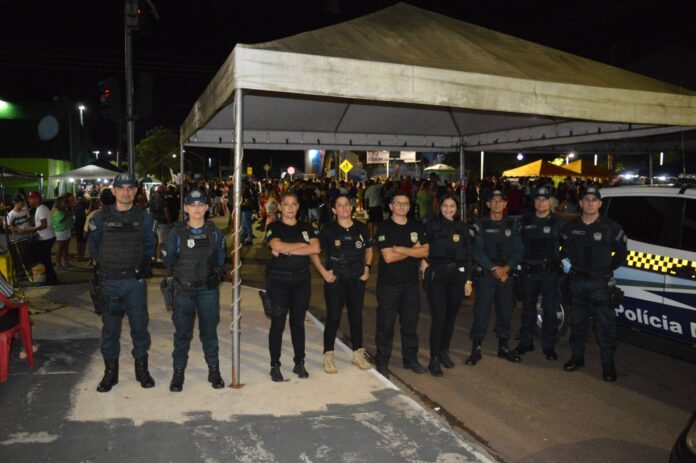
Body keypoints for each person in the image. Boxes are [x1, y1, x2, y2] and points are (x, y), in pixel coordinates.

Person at [88, 173, 156, 392]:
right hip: (110, 282)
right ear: (114, 191)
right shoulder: (100, 218)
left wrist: (141, 265)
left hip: (134, 282)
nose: (126, 192)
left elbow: (149, 244)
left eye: (130, 188)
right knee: (110, 329)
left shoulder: (144, 217)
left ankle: (142, 370)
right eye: (122, 188)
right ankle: (110, 373)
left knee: (139, 327)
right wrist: (107, 265)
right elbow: (94, 247)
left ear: (136, 191)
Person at [560, 187, 627, 382]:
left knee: (605, 325)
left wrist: (605, 270)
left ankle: (608, 364)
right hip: (578, 282)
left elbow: (622, 254)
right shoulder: (570, 228)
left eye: (594, 200)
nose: (590, 203)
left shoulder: (611, 227)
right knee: (578, 323)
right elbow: (564, 251)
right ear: (580, 203)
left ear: (600, 203)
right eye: (586, 199)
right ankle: (577, 357)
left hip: (600, 284)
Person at [163, 189, 226, 392]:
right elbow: (168, 259)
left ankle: (214, 371)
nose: (197, 209)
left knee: (209, 333)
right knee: (182, 334)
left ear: (207, 208)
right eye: (193, 205)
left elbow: (221, 258)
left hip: (208, 290)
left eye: (201, 205)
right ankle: (178, 373)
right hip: (184, 291)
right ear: (186, 208)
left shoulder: (214, 232)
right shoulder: (177, 232)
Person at [310, 194, 373, 374]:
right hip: (335, 281)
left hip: (356, 280)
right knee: (333, 318)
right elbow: (314, 251)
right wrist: (323, 272)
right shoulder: (328, 230)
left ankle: (357, 354)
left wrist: (367, 268)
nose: (344, 208)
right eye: (340, 205)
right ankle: (328, 355)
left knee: (356, 318)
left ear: (351, 207)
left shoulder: (361, 228)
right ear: (333, 210)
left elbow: (369, 249)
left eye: (347, 205)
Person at [264, 192, 320, 382]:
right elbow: (277, 246)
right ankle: (275, 365)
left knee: (298, 323)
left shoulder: (306, 227)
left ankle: (299, 362)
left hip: (301, 282)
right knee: (278, 324)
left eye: (293, 204)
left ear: (298, 207)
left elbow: (316, 248)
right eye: (286, 204)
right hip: (279, 282)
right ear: (280, 207)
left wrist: (288, 248)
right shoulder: (274, 226)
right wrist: (301, 245)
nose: (290, 207)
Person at [374, 192, 429, 379]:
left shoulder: (416, 225)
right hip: (389, 285)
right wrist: (413, 251)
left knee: (410, 325)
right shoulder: (383, 228)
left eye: (405, 203)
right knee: (386, 326)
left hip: (411, 284)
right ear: (391, 206)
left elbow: (426, 250)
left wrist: (402, 249)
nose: (402, 206)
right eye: (398, 203)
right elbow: (388, 257)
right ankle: (382, 361)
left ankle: (410, 359)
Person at [466, 189, 523, 365]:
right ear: (488, 204)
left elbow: (519, 250)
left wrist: (506, 268)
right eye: (494, 201)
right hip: (486, 276)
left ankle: (503, 347)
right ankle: (476, 348)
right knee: (481, 312)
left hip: (505, 276)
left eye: (501, 201)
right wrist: (493, 268)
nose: (497, 204)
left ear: (505, 204)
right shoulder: (480, 225)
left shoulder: (512, 225)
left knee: (505, 311)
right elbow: (477, 251)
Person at [421, 195, 473, 377]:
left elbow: (468, 255)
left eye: (452, 206)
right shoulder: (431, 225)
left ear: (456, 209)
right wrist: (422, 261)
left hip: (457, 277)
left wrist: (468, 280)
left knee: (450, 317)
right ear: (439, 206)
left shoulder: (463, 227)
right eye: (445, 205)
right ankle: (433, 359)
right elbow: (420, 245)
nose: (448, 209)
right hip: (438, 276)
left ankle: (444, 352)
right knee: (439, 318)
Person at [513, 187, 563, 360]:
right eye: (538, 199)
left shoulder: (558, 222)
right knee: (528, 309)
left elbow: (569, 246)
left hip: (549, 274)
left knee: (549, 311)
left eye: (544, 199)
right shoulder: (524, 221)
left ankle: (549, 346)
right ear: (534, 202)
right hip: (528, 273)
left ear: (550, 202)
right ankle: (525, 342)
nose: (541, 202)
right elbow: (516, 245)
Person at [23, 192, 58, 285]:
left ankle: (52, 280)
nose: (29, 200)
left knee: (45, 260)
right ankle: (50, 279)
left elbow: (43, 225)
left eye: (31, 198)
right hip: (47, 237)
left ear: (37, 199)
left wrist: (31, 229)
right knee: (45, 260)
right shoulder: (41, 208)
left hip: (46, 238)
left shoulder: (41, 209)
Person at [52, 195, 74, 269]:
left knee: (66, 246)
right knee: (60, 247)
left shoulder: (64, 208)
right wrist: (68, 214)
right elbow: (60, 220)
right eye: (63, 201)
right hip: (60, 230)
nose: (65, 202)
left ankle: (65, 261)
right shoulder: (56, 210)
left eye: (65, 201)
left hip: (66, 229)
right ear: (59, 203)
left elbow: (70, 214)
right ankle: (58, 264)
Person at [73, 192, 89, 261]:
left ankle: (80, 256)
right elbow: (87, 213)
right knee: (84, 240)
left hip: (78, 223)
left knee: (79, 241)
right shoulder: (86, 203)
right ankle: (81, 256)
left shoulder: (76, 204)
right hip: (85, 223)